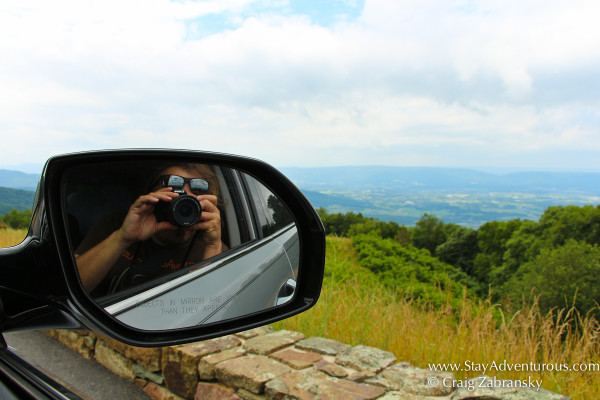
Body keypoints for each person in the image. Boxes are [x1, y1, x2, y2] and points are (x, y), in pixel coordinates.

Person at [75, 163, 225, 297]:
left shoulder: (212, 246)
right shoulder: (114, 225)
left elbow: (210, 306)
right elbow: (71, 289)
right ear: (151, 194)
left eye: (196, 195)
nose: (182, 203)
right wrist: (122, 237)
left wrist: (212, 247)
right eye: (174, 192)